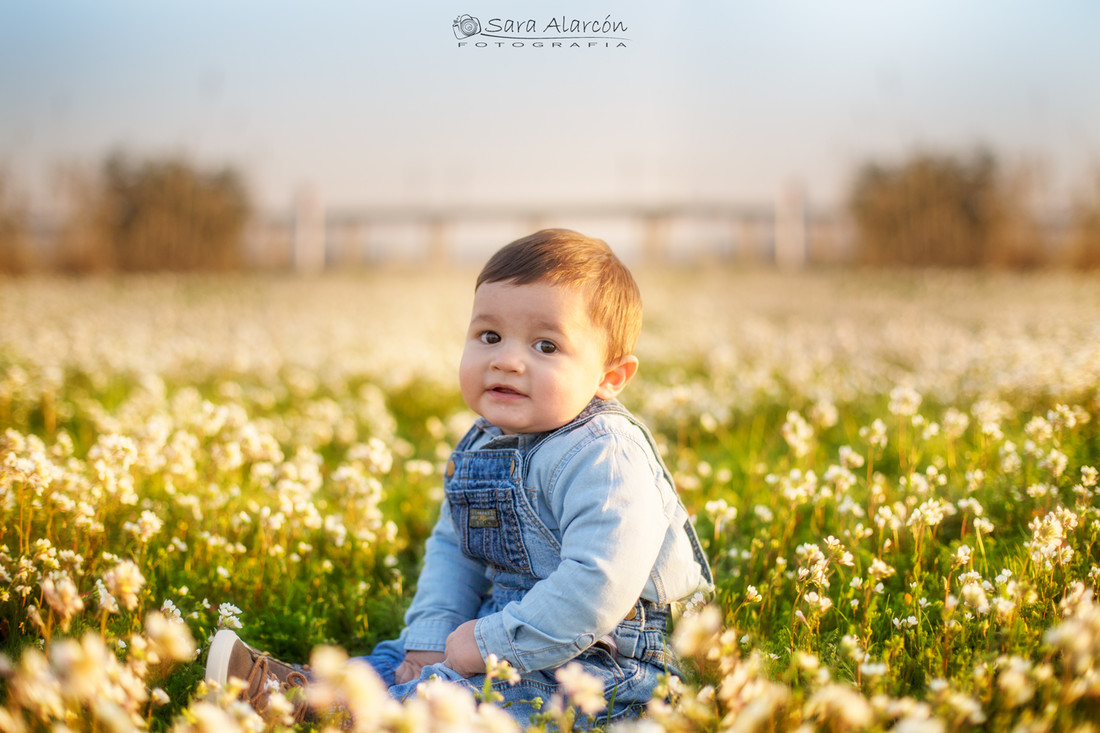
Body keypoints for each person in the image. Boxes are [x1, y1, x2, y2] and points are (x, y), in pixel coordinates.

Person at [206, 228, 713, 726]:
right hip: (497, 636)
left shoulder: (605, 455)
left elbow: (599, 584)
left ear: (610, 378)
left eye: (546, 346)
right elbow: (455, 549)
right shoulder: (483, 441)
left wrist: (488, 643)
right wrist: (432, 635)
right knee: (398, 658)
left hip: (604, 668)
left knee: (473, 702)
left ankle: (339, 717)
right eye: (490, 336)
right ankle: (301, 693)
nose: (507, 360)